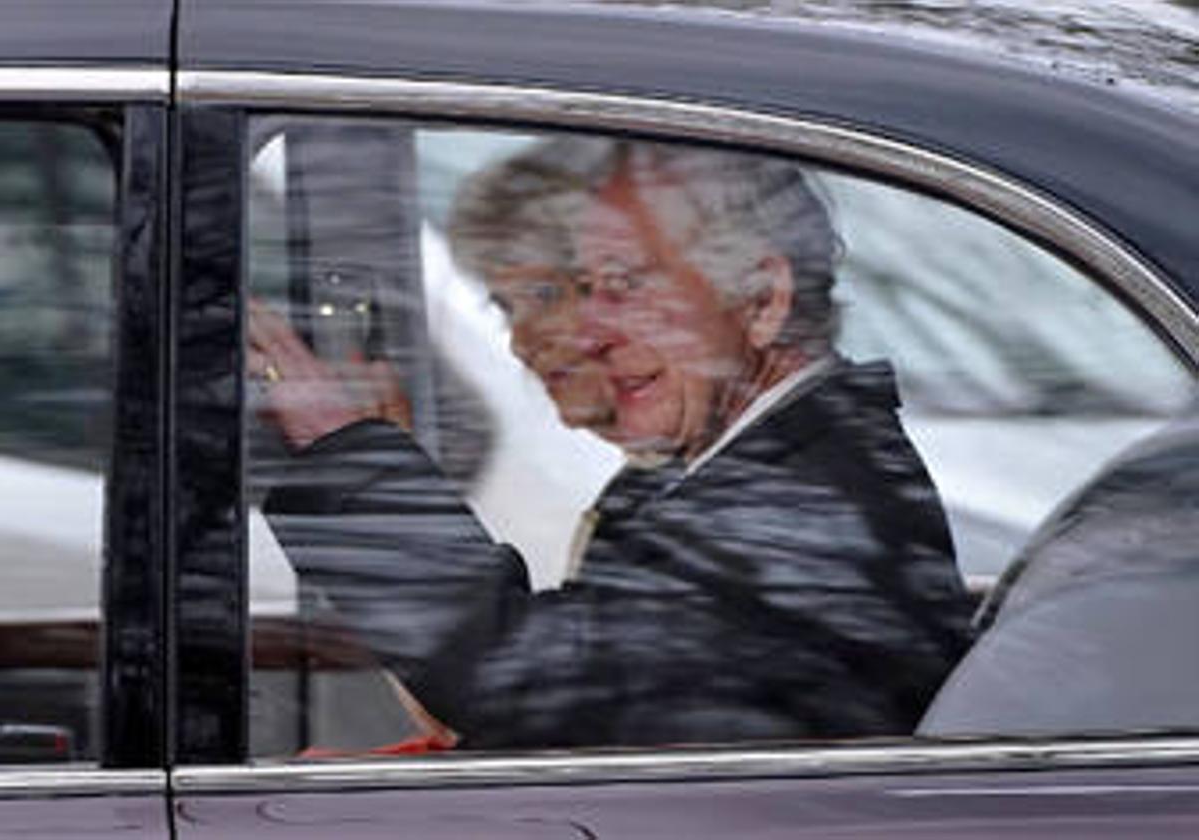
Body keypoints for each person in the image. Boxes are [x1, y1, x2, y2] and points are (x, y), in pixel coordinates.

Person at [250, 137, 973, 749]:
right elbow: (551, 711)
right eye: (583, 288)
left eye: (623, 286)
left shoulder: (800, 508)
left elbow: (519, 681)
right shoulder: (736, 475)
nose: (584, 333)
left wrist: (344, 448)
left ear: (762, 300)